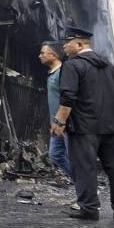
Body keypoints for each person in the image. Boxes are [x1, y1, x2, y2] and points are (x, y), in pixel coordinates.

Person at [53, 25, 114, 222]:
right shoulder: (107, 65)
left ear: (79, 44)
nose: (64, 47)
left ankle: (89, 209)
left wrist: (59, 121)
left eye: (67, 43)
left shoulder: (72, 65)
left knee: (85, 167)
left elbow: (68, 97)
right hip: (112, 126)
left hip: (84, 127)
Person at [39, 41, 72, 182]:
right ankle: (82, 185)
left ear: (53, 55)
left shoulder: (64, 72)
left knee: (74, 157)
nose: (39, 56)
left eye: (42, 53)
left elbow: (69, 99)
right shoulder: (52, 74)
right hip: (56, 125)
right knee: (55, 154)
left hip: (67, 125)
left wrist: (62, 121)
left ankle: (87, 192)